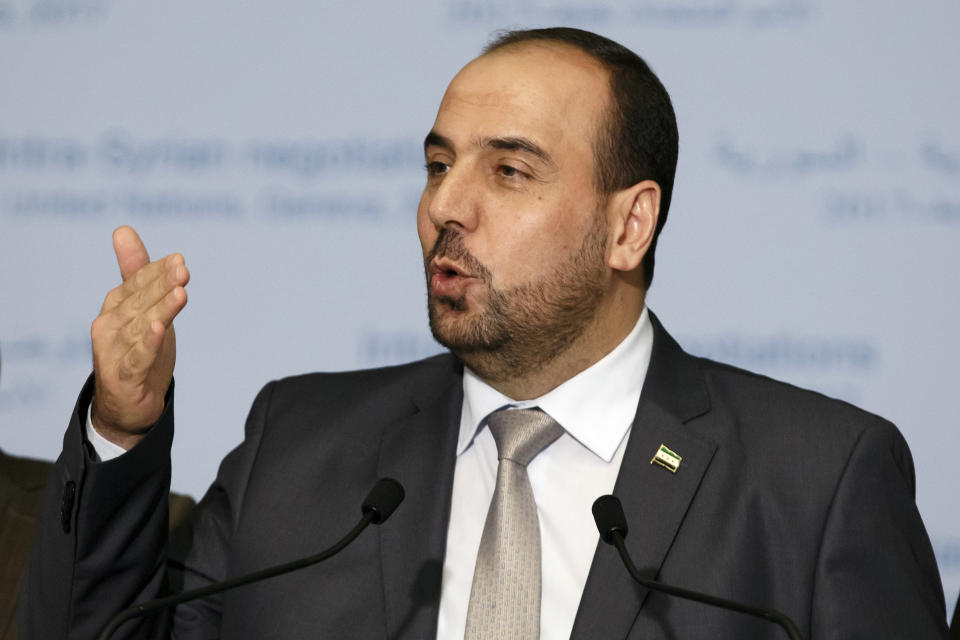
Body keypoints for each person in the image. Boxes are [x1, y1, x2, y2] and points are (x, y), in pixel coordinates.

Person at [20, 27, 948, 639]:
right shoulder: (298, 449)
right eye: (437, 164)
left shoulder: (818, 478)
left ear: (630, 225)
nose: (444, 207)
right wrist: (123, 426)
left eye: (509, 172)